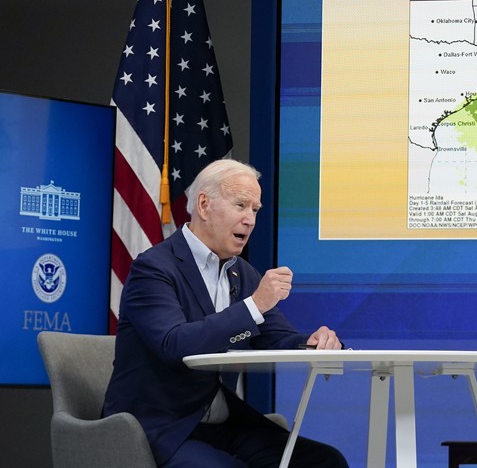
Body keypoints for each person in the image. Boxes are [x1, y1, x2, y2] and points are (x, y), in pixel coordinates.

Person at [103, 159, 348, 468]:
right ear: (204, 205)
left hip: (222, 423)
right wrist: (255, 304)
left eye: (255, 210)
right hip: (160, 427)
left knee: (324, 461)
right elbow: (174, 345)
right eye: (241, 205)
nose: (250, 220)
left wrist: (312, 343)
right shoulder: (153, 268)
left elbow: (275, 337)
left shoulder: (242, 273)